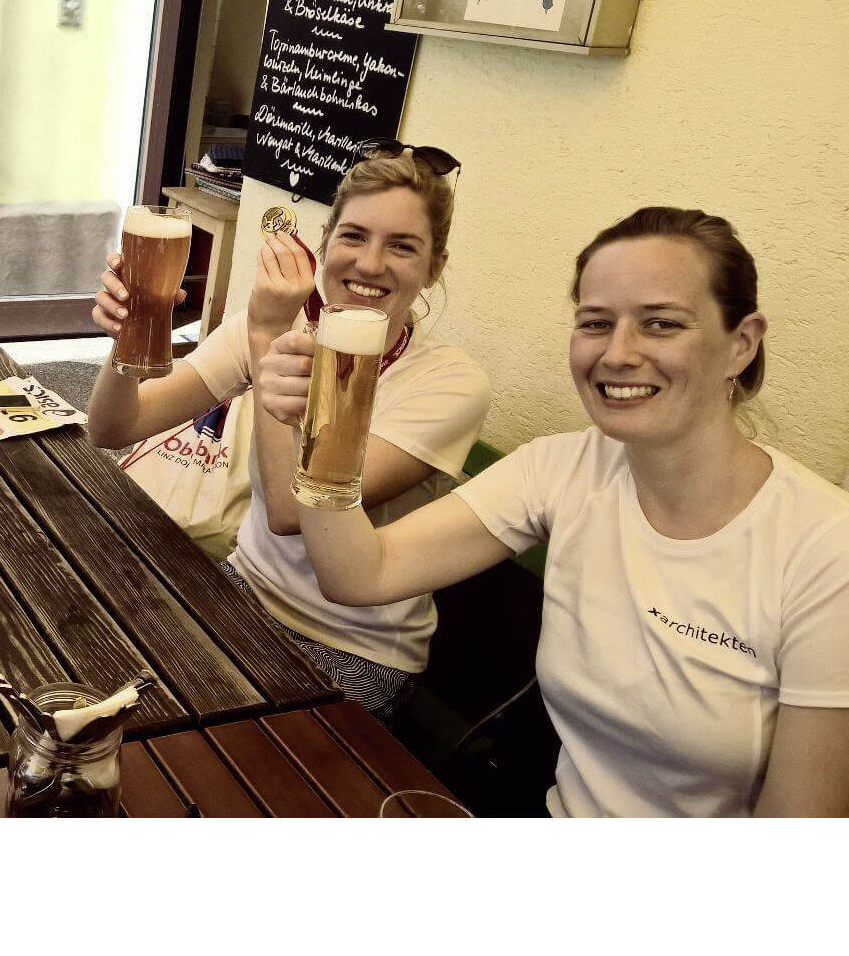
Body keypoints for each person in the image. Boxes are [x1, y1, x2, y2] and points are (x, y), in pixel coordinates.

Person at [259, 207, 849, 817]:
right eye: (596, 323)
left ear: (741, 344)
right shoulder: (562, 468)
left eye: (661, 324)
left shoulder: (826, 551)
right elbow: (359, 575)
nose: (618, 353)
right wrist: (317, 429)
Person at [86, 148, 490, 719]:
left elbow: (289, 513)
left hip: (353, 643)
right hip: (241, 588)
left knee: (194, 737)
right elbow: (113, 428)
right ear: (324, 244)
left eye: (402, 246)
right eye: (354, 236)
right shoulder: (275, 325)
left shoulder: (449, 382)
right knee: (90, 666)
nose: (370, 263)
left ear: (434, 268)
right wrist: (129, 336)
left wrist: (267, 334)